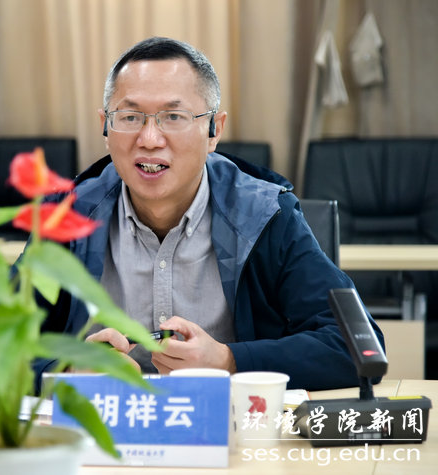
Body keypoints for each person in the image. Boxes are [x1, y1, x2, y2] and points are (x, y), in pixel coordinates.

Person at [26, 36, 384, 391]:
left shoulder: (265, 216)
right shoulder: (64, 217)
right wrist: (69, 368)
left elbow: (357, 348)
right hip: (103, 424)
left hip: (231, 425)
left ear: (215, 130)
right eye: (130, 117)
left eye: (173, 117)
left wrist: (230, 360)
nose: (149, 139)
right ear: (106, 127)